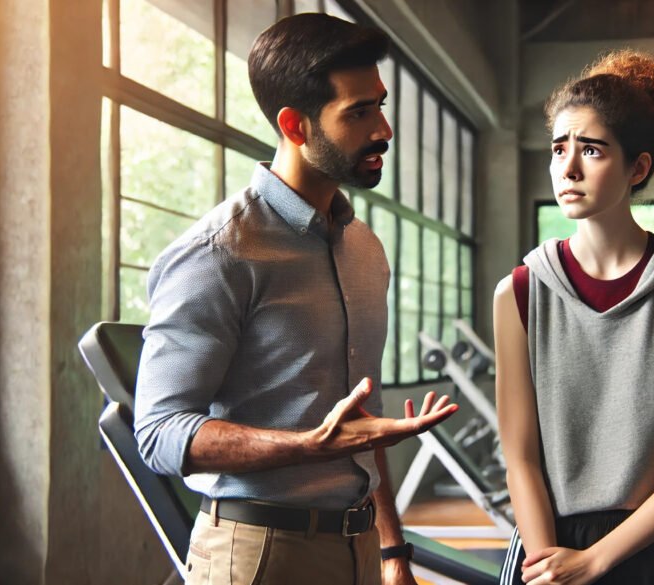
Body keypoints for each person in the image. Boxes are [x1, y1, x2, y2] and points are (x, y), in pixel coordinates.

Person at [133, 13, 457, 585]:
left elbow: (362, 422)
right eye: (358, 112)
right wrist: (308, 445)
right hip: (256, 554)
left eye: (380, 105)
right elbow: (158, 432)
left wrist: (391, 549)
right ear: (296, 125)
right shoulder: (220, 253)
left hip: (357, 547)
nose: (383, 129)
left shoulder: (364, 249)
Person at [493, 49, 654, 585]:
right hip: (546, 548)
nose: (568, 168)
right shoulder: (519, 292)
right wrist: (547, 564)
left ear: (638, 167)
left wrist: (597, 560)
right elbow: (522, 458)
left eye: (592, 150)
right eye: (559, 149)